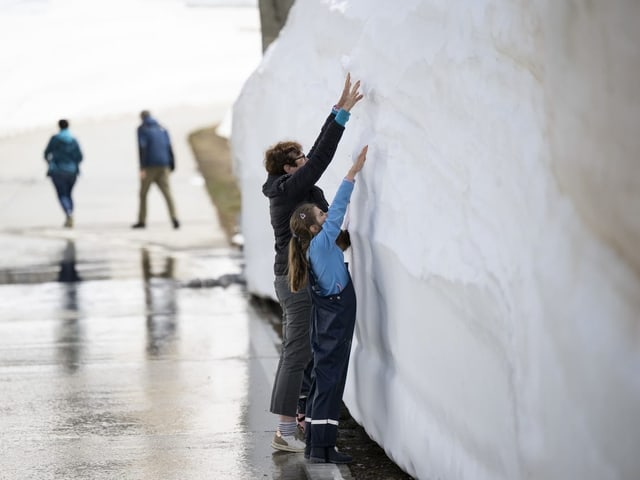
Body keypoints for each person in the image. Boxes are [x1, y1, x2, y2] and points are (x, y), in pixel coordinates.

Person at [262, 73, 363, 453]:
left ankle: (298, 421)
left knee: (304, 350)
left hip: (299, 277)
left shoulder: (294, 187)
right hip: (293, 279)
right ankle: (285, 432)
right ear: (288, 169)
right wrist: (341, 114)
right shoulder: (289, 191)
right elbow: (321, 157)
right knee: (297, 352)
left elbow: (314, 157)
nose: (305, 161)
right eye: (298, 159)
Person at [287, 145, 368, 464]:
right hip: (334, 324)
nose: (325, 214)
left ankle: (317, 448)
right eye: (320, 216)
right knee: (331, 385)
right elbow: (337, 211)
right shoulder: (321, 243)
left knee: (326, 383)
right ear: (313, 228)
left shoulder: (313, 248)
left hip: (327, 324)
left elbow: (335, 217)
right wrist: (352, 173)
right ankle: (323, 447)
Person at [132, 110, 180, 229]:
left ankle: (142, 220)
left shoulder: (142, 129)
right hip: (164, 165)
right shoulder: (162, 128)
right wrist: (172, 164)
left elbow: (142, 148)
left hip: (149, 166)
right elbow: (169, 146)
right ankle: (174, 218)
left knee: (143, 194)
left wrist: (142, 167)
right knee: (167, 193)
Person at [44, 119, 83, 228]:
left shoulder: (55, 139)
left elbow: (46, 153)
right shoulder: (73, 140)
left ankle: (68, 214)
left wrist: (50, 163)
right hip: (72, 171)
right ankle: (70, 213)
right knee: (69, 194)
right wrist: (73, 164)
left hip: (57, 171)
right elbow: (80, 156)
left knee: (62, 194)